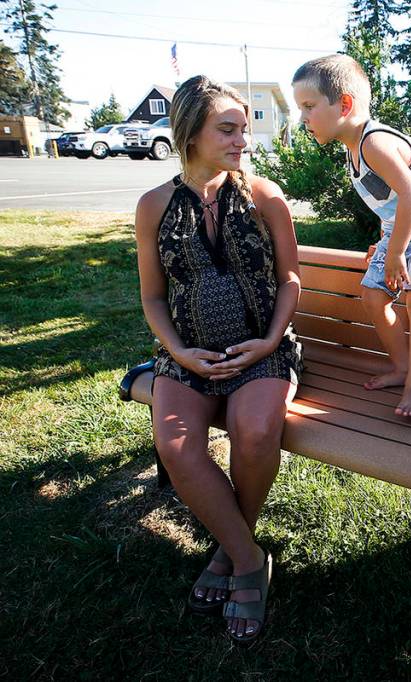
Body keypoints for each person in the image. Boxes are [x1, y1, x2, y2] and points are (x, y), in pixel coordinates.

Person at [134, 75, 303, 643]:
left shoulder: (265, 196)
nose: (242, 141)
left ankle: (230, 552)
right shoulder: (154, 206)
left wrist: (271, 340)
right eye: (227, 129)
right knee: (175, 443)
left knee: (255, 431)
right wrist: (177, 350)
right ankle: (248, 557)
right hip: (187, 356)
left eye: (245, 129)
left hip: (264, 350)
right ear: (190, 133)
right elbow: (153, 297)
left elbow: (289, 280)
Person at [292, 55, 411, 417]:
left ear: (344, 104)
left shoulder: (374, 143)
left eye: (309, 107)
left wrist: (397, 250)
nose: (303, 118)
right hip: (403, 225)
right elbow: (390, 203)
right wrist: (388, 237)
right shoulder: (352, 150)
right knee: (374, 295)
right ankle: (402, 367)